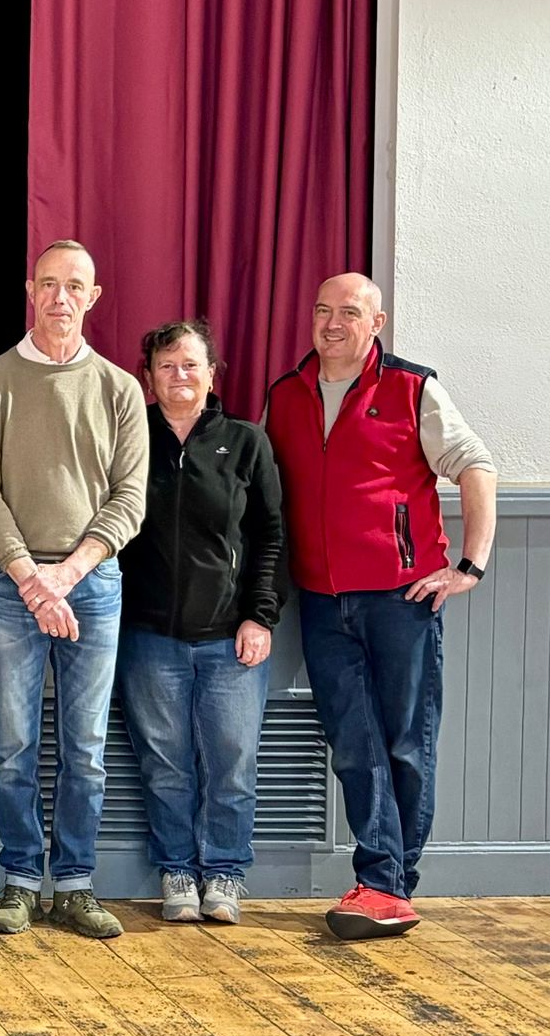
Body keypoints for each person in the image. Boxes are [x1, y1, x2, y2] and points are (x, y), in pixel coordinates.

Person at [265, 273, 495, 940]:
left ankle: (388, 884)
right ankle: (383, 883)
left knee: (405, 744)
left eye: (348, 312)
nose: (332, 323)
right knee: (352, 746)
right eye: (322, 310)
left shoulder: (412, 388)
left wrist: (470, 566)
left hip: (402, 599)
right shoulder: (286, 394)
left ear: (377, 323)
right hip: (320, 600)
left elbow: (475, 465)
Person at [0, 240, 148, 938]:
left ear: (93, 297)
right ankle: (18, 880)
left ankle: (73, 884)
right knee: (14, 744)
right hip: (9, 583)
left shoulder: (120, 389)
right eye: (48, 284)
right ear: (30, 292)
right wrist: (29, 578)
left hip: (92, 583)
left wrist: (66, 575)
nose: (60, 297)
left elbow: (130, 498)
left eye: (74, 286)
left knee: (86, 748)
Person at [118, 319, 283, 924]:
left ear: (212, 374)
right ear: (148, 378)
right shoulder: (128, 439)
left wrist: (259, 616)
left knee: (231, 762)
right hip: (147, 636)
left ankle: (226, 873)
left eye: (190, 364)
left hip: (230, 638)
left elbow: (270, 536)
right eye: (166, 366)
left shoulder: (246, 442)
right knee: (165, 764)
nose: (179, 375)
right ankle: (178, 871)